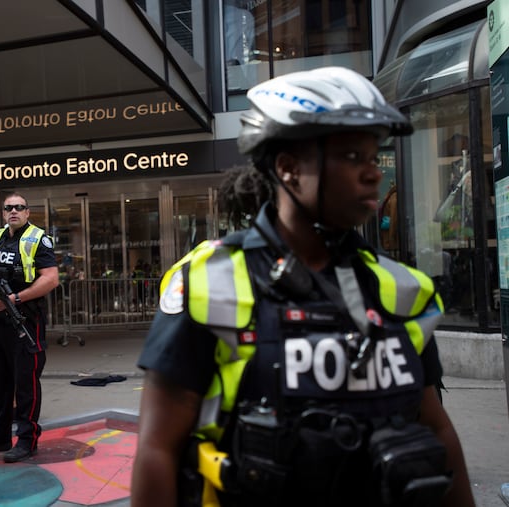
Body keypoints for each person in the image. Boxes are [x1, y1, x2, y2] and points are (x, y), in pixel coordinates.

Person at [131, 67, 475, 507]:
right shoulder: (208, 283)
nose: (373, 174)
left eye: (374, 157)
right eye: (352, 157)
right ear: (289, 169)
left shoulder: (404, 289)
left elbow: (437, 430)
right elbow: (157, 449)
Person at [0, 192, 59, 462]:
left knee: (25, 385)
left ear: (28, 212)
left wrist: (15, 299)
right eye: (9, 208)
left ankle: (27, 440)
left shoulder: (38, 239)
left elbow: (51, 279)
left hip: (25, 320)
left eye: (19, 207)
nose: (14, 211)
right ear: (3, 212)